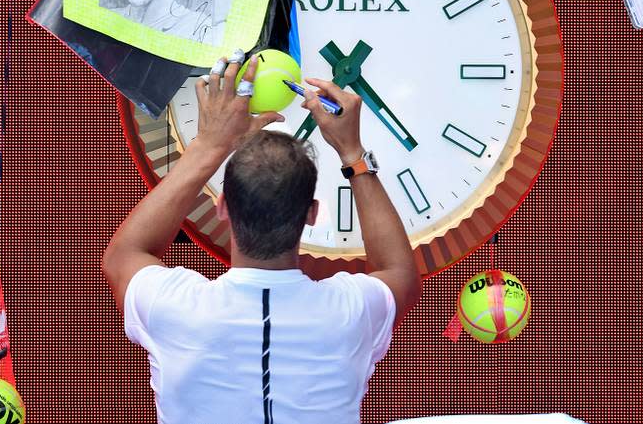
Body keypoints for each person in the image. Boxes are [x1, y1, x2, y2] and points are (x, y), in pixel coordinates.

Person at [103, 51, 423, 423]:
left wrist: (209, 146)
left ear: (222, 207)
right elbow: (398, 271)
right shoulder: (350, 313)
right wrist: (352, 151)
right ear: (311, 214)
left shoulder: (172, 305)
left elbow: (125, 254)